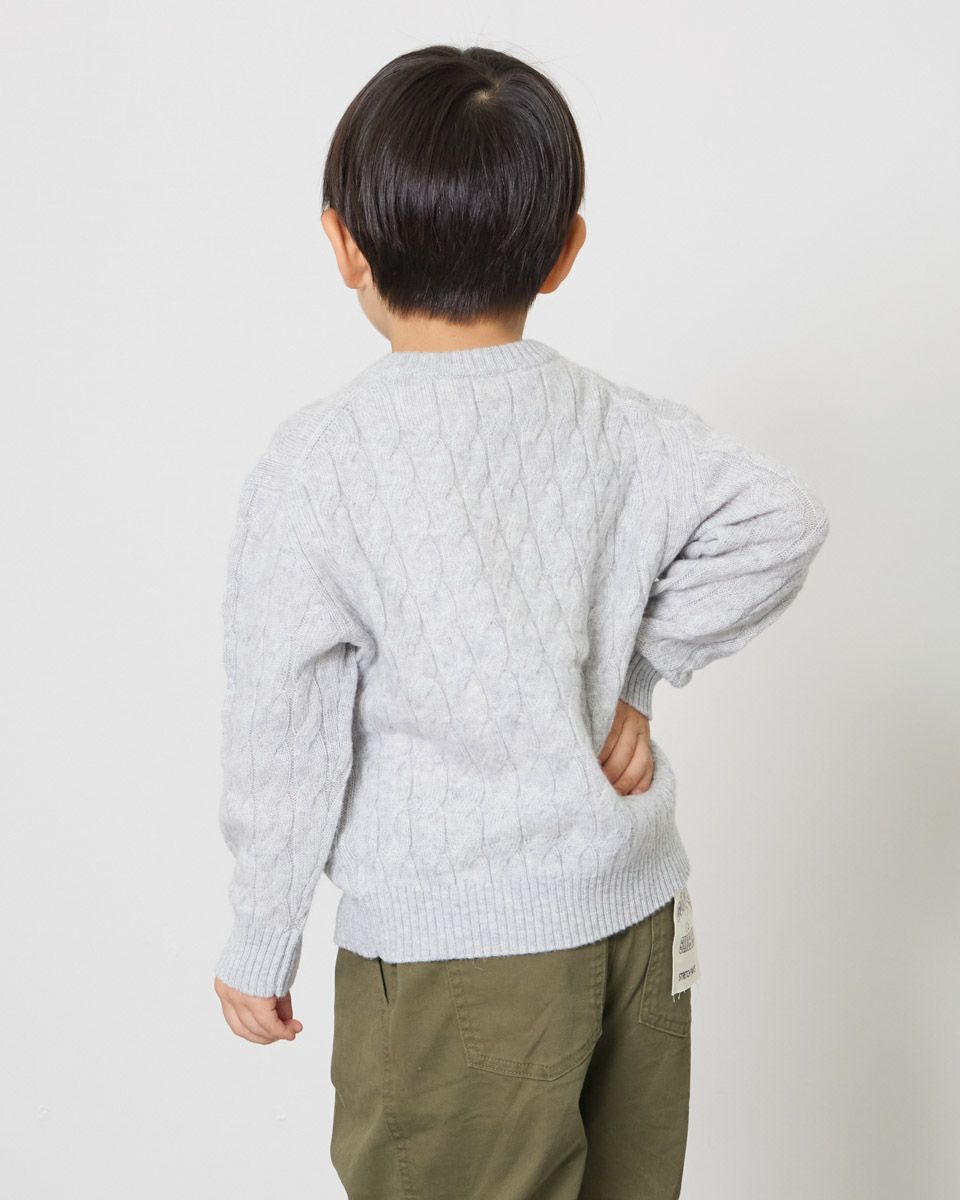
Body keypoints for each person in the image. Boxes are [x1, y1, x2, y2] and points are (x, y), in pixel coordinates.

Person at [212, 43, 830, 1200]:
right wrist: (640, 673)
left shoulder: (320, 465)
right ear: (564, 250)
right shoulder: (621, 427)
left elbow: (287, 733)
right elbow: (782, 518)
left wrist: (261, 935)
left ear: (343, 243)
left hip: (458, 956)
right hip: (638, 925)